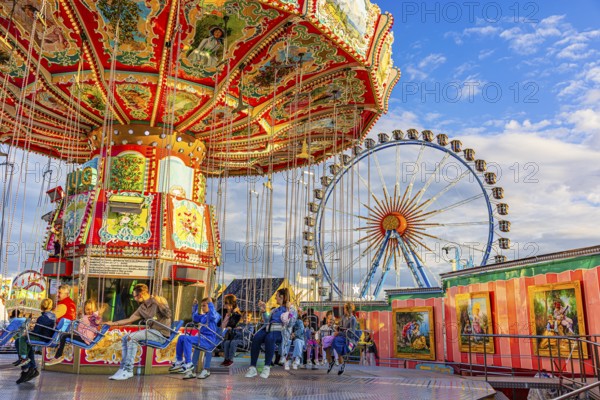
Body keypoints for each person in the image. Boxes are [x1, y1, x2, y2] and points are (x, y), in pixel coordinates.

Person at [105, 284, 172, 381]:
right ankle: (122, 368)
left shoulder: (158, 301)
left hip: (161, 334)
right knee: (125, 338)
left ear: (140, 295)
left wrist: (160, 303)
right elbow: (130, 320)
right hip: (151, 332)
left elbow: (168, 314)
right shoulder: (142, 308)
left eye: (134, 296)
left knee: (132, 338)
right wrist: (113, 323)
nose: (134, 299)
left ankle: (128, 370)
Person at [170, 297, 220, 379]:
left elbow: (213, 317)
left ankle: (189, 363)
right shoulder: (204, 316)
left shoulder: (215, 315)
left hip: (208, 340)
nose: (202, 308)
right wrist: (195, 307)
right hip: (202, 338)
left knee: (187, 339)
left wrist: (210, 304)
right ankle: (179, 360)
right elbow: (195, 317)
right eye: (201, 306)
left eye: (204, 306)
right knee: (181, 337)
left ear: (211, 306)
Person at [245, 288, 289, 379]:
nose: (275, 298)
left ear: (281, 297)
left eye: (276, 296)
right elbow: (267, 321)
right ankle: (252, 367)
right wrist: (264, 311)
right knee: (256, 337)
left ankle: (267, 367)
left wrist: (289, 310)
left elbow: (291, 321)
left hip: (279, 331)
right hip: (269, 328)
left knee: (270, 338)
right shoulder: (275, 310)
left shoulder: (289, 309)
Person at [47, 299, 106, 365]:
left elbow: (96, 321)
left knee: (64, 336)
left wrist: (99, 314)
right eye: (87, 309)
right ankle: (58, 354)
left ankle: (58, 356)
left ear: (94, 309)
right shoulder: (87, 317)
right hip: (83, 336)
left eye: (91, 309)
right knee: (63, 335)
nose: (89, 311)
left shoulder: (92, 317)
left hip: (86, 339)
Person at [15, 298, 56, 384]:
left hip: (42, 337)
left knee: (22, 339)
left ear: (41, 307)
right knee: (19, 341)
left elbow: (37, 331)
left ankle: (24, 359)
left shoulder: (42, 317)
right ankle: (31, 366)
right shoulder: (52, 315)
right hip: (46, 336)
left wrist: (29, 332)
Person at [328, 302, 357, 376]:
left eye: (344, 309)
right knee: (330, 340)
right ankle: (337, 361)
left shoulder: (353, 319)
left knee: (335, 341)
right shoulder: (344, 317)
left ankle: (337, 361)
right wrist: (336, 326)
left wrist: (339, 333)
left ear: (348, 310)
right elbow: (341, 326)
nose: (343, 310)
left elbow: (351, 333)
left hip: (349, 339)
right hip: (342, 336)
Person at [219, 294, 242, 365]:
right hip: (219, 331)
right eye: (224, 302)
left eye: (226, 303)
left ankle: (228, 359)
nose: (224, 304)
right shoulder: (222, 311)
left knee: (228, 342)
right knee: (226, 342)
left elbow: (231, 324)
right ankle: (227, 359)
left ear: (232, 304)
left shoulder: (237, 314)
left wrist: (232, 314)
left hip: (228, 334)